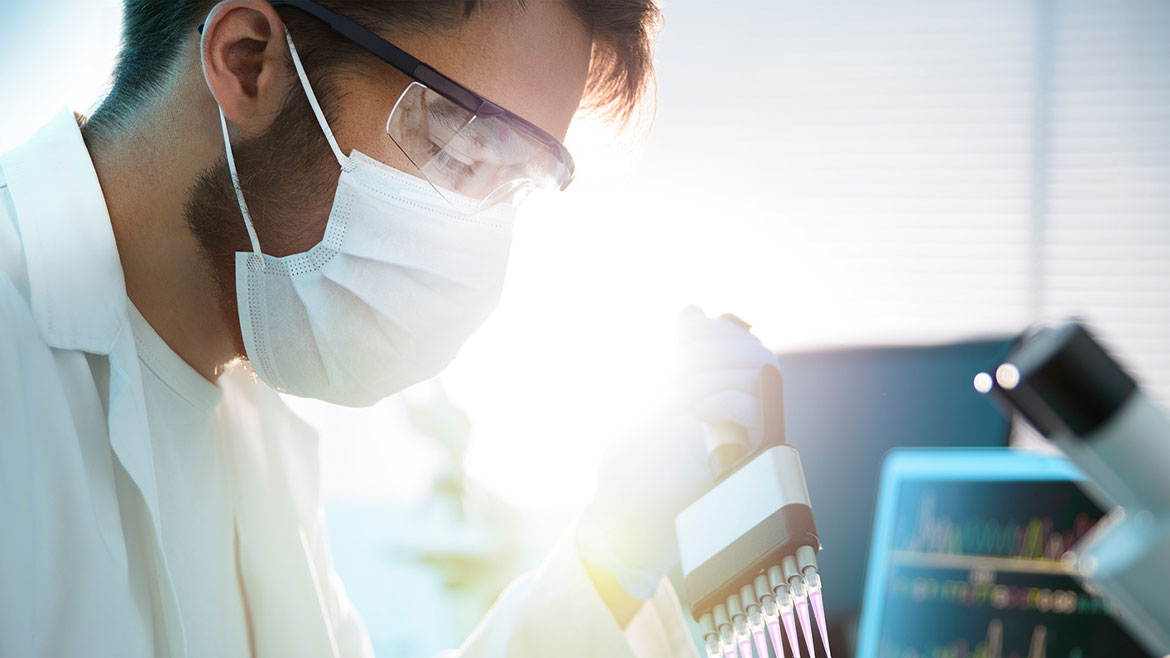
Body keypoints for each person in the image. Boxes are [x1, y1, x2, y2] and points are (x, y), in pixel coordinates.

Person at [0, 1, 779, 656]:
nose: (481, 242)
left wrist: (609, 558)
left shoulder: (257, 420)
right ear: (249, 63)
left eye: (517, 183)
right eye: (465, 145)